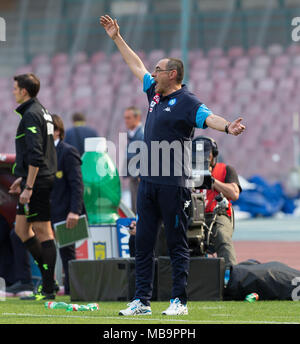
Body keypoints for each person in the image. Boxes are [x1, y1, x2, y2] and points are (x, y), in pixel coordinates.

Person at [100, 14, 245, 316]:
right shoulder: (154, 91)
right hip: (148, 182)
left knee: (178, 244)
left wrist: (228, 126)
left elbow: (210, 117)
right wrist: (116, 38)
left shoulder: (188, 101)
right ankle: (142, 301)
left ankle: (179, 301)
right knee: (143, 242)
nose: (152, 72)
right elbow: (136, 65)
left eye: (159, 69)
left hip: (174, 184)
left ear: (173, 74)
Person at [9, 73, 58, 301]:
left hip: (38, 182)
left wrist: (28, 186)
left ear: (24, 91)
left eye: (15, 88)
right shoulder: (41, 111)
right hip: (34, 179)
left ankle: (48, 286)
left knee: (44, 232)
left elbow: (37, 155)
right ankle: (49, 280)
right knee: (21, 230)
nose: (13, 92)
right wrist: (22, 178)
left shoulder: (31, 114)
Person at [51, 114, 85, 295]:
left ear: (57, 131)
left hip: (65, 212)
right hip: (48, 211)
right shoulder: (44, 152)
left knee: (67, 254)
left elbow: (77, 184)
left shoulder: (68, 151)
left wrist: (74, 211)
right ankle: (49, 287)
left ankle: (74, 291)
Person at [197, 136, 241, 268]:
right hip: (192, 215)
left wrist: (212, 181)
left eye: (206, 152)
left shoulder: (226, 170)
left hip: (218, 214)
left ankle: (231, 275)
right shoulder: (186, 172)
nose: (203, 156)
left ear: (213, 154)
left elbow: (234, 194)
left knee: (221, 235)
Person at [123, 106, 144, 214]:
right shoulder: (132, 134)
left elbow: (146, 155)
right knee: (134, 208)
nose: (126, 121)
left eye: (128, 118)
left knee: (139, 208)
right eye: (125, 118)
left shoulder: (142, 134)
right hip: (134, 176)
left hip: (139, 178)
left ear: (137, 118)